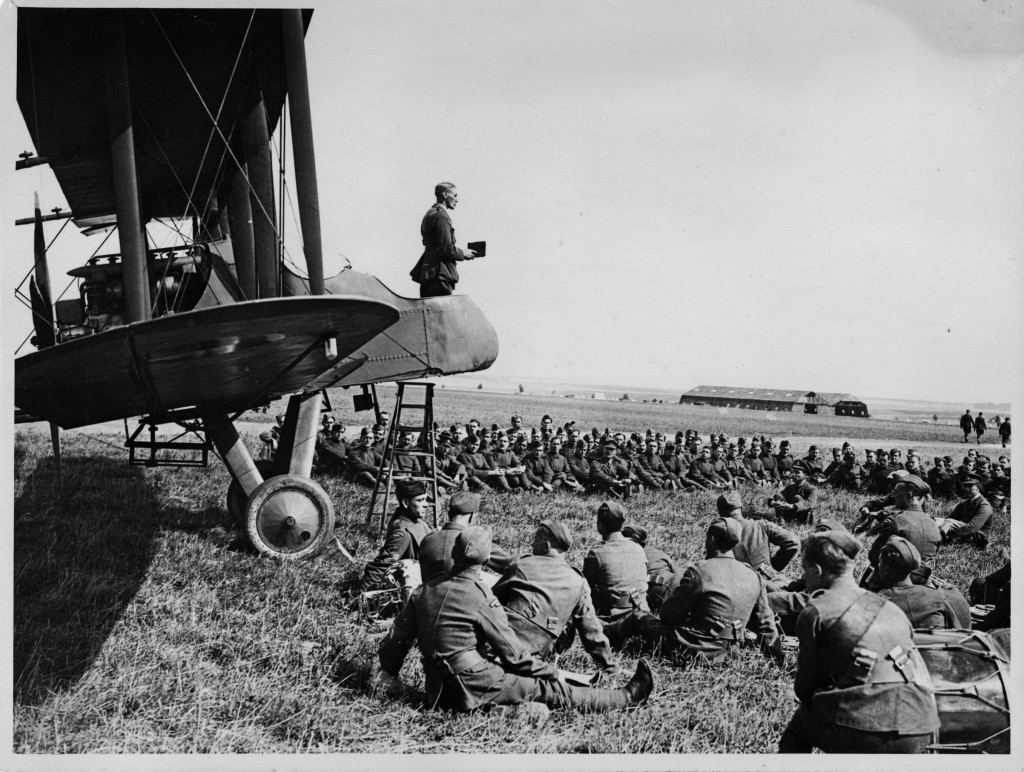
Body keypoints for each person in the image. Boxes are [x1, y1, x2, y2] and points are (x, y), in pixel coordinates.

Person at [377, 527, 654, 713]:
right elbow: (515, 657)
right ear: (486, 559)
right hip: (472, 684)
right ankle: (625, 698)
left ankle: (503, 711)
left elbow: (395, 642)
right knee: (552, 691)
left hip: (435, 687)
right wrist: (553, 673)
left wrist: (388, 674)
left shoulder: (424, 589)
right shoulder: (482, 597)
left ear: (454, 553)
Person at [778, 530, 940, 754]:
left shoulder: (816, 609)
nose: (805, 578)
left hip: (865, 726)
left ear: (817, 570)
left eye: (806, 571)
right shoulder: (889, 606)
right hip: (921, 722)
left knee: (799, 727)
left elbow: (805, 688)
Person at [607, 519, 783, 666]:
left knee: (639, 618)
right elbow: (766, 624)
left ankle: (608, 633)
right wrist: (778, 660)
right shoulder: (753, 575)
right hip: (728, 653)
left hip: (692, 648)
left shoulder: (701, 570)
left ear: (712, 539)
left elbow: (668, 615)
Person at [492, 520, 619, 676]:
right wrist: (611, 666)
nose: (532, 545)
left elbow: (489, 602)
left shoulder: (521, 565)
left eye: (535, 542)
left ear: (546, 546)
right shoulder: (579, 583)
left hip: (497, 645)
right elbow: (591, 631)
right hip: (533, 659)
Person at [861, 475, 941, 588]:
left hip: (897, 581)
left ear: (908, 496)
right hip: (923, 580)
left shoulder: (896, 520)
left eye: (896, 492)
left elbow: (874, 556)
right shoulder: (933, 523)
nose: (893, 496)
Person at [873, 537, 971, 629]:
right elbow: (958, 629)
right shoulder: (937, 596)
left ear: (886, 569)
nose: (878, 565)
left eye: (880, 563)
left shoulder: (879, 602)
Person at [418, 491, 512, 581]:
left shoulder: (427, 539)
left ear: (449, 514)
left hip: (428, 594)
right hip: (464, 595)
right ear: (472, 516)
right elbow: (511, 563)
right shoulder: (472, 541)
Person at [717, 491, 798, 592]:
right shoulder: (761, 525)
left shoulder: (716, 536)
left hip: (738, 591)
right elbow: (793, 542)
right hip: (770, 584)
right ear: (741, 509)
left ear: (720, 512)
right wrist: (771, 567)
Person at [361, 479, 434, 590]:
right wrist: (363, 596)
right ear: (406, 503)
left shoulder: (414, 519)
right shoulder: (402, 532)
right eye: (420, 500)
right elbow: (380, 566)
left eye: (425, 499)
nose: (426, 505)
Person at [582, 501, 650, 621]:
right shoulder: (637, 546)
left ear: (600, 525)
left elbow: (585, 588)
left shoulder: (597, 553)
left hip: (615, 614)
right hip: (641, 608)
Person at [409, 182, 478, 298]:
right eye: (455, 196)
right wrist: (463, 253)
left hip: (429, 274)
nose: (457, 200)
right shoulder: (441, 216)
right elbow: (446, 248)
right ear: (445, 195)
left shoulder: (430, 213)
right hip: (440, 275)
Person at [621, 524, 679, 612]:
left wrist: (638, 604)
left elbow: (628, 585)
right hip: (677, 583)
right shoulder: (657, 552)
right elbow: (676, 572)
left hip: (658, 591)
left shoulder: (626, 555)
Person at [935, 473, 993, 547]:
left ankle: (937, 538)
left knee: (948, 522)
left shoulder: (984, 505)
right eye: (965, 486)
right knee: (937, 520)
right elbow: (951, 517)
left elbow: (972, 528)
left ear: (978, 487)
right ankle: (935, 536)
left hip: (979, 539)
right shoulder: (965, 503)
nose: (966, 489)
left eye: (970, 486)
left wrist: (952, 535)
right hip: (964, 533)